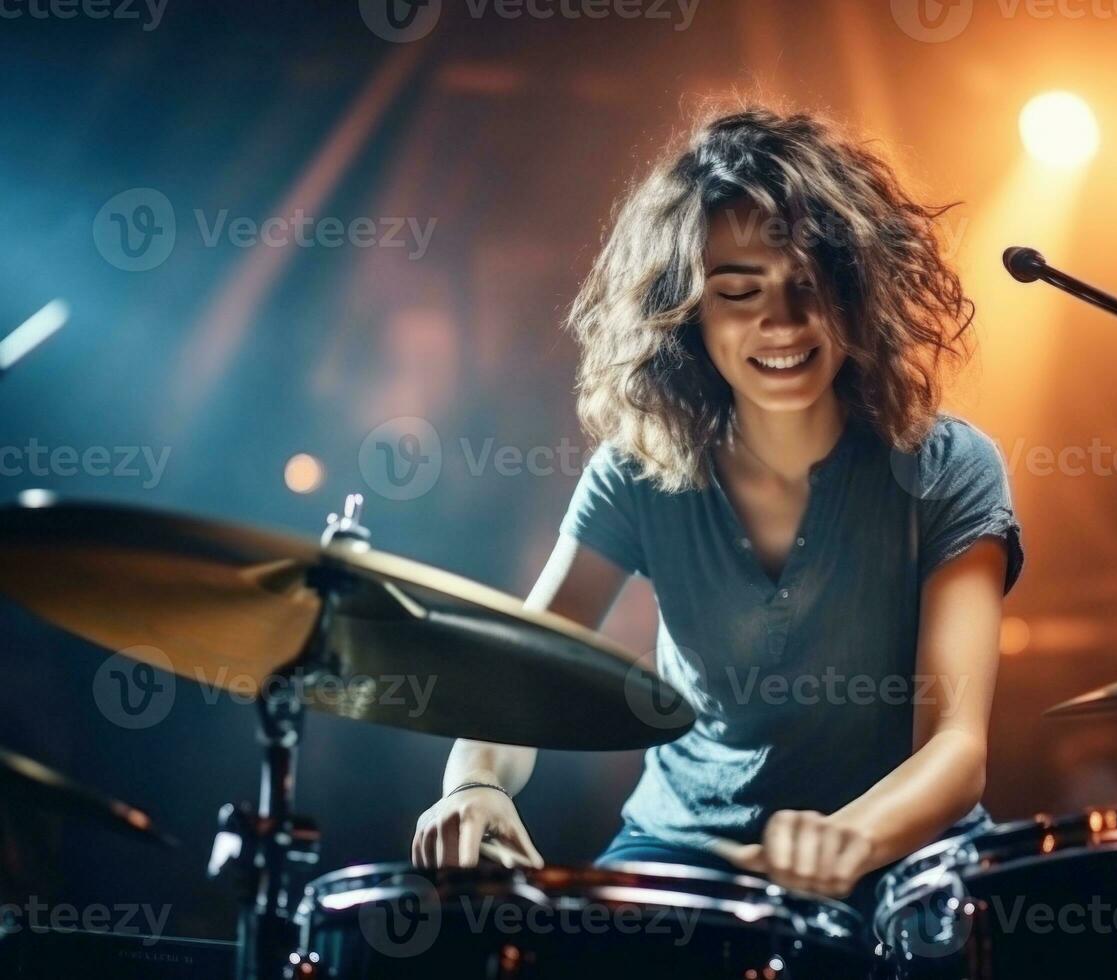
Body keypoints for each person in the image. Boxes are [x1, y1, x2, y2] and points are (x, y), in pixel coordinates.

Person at [411, 105, 1023, 906]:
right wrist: (473, 784)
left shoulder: (951, 468)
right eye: (738, 291)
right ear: (687, 312)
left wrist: (849, 839)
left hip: (900, 858)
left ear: (859, 291)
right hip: (684, 852)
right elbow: (521, 681)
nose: (782, 321)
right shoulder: (636, 471)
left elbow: (956, 749)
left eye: (811, 285)